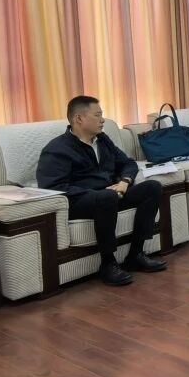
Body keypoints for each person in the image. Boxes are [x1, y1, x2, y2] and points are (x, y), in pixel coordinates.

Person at [37, 95, 167, 286]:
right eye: (97, 115)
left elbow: (128, 163)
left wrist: (124, 182)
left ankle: (136, 254)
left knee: (152, 187)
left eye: (102, 115)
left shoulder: (102, 140)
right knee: (106, 197)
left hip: (111, 195)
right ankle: (107, 264)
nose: (102, 120)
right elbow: (52, 187)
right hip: (80, 201)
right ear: (78, 119)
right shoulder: (57, 149)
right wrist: (98, 193)